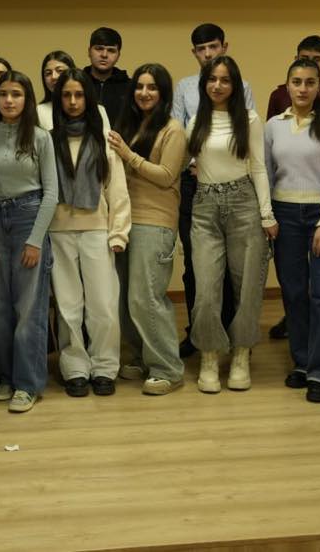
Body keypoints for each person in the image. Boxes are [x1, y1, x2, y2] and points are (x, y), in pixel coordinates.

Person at [185, 55, 275, 392]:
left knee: (247, 286)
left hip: (243, 204)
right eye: (212, 79)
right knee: (206, 290)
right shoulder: (195, 121)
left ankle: (240, 354)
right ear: (204, 83)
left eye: (225, 80)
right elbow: (184, 161)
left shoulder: (249, 119)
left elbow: (260, 167)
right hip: (205, 207)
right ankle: (209, 355)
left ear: (235, 85)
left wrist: (266, 214)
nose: (218, 86)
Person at [265, 58, 320, 403]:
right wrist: (267, 216)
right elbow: (265, 172)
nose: (303, 88)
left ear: (319, 86)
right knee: (295, 293)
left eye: (310, 82)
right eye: (297, 82)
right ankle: (302, 363)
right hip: (285, 215)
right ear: (287, 85)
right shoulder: (273, 126)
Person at [0, 71, 58, 413]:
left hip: (28, 219)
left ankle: (27, 384)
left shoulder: (40, 137)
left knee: (29, 308)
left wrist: (36, 240)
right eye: (3, 94)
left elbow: (51, 192)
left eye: (16, 94)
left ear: (27, 99)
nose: (9, 100)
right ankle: (6, 378)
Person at [171, 23, 253, 358]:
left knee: (234, 269)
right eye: (201, 49)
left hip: (235, 183)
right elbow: (178, 130)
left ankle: (234, 336)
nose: (207, 54)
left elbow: (245, 132)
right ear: (194, 52)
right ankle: (199, 334)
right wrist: (193, 161)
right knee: (198, 266)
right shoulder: (184, 86)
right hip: (194, 183)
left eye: (213, 47)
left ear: (224, 47)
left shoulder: (242, 86)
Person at [48, 69, 131, 397]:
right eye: (66, 95)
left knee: (103, 304)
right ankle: (75, 369)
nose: (72, 101)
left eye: (79, 95)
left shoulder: (103, 139)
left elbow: (117, 188)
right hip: (59, 231)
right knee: (68, 306)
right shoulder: (47, 140)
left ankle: (105, 367)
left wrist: (119, 233)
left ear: (89, 99)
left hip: (98, 230)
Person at [109, 63, 187, 394]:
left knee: (146, 298)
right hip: (124, 220)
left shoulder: (173, 129)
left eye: (152, 87)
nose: (144, 92)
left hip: (155, 222)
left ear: (163, 93)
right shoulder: (131, 125)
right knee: (126, 297)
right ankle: (142, 357)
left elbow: (166, 176)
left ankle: (168, 368)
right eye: (140, 86)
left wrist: (128, 155)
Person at [266, 35, 320, 121]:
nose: (310, 63)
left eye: (317, 59)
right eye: (304, 58)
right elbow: (272, 128)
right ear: (296, 59)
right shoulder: (278, 95)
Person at [38, 50, 111, 132]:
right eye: (48, 73)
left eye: (60, 71)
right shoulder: (39, 111)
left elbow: (106, 138)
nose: (54, 77)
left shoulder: (98, 109)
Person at [84, 27, 131, 125]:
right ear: (89, 51)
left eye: (111, 50)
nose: (104, 55)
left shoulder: (130, 87)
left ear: (118, 55)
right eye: (99, 48)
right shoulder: (77, 83)